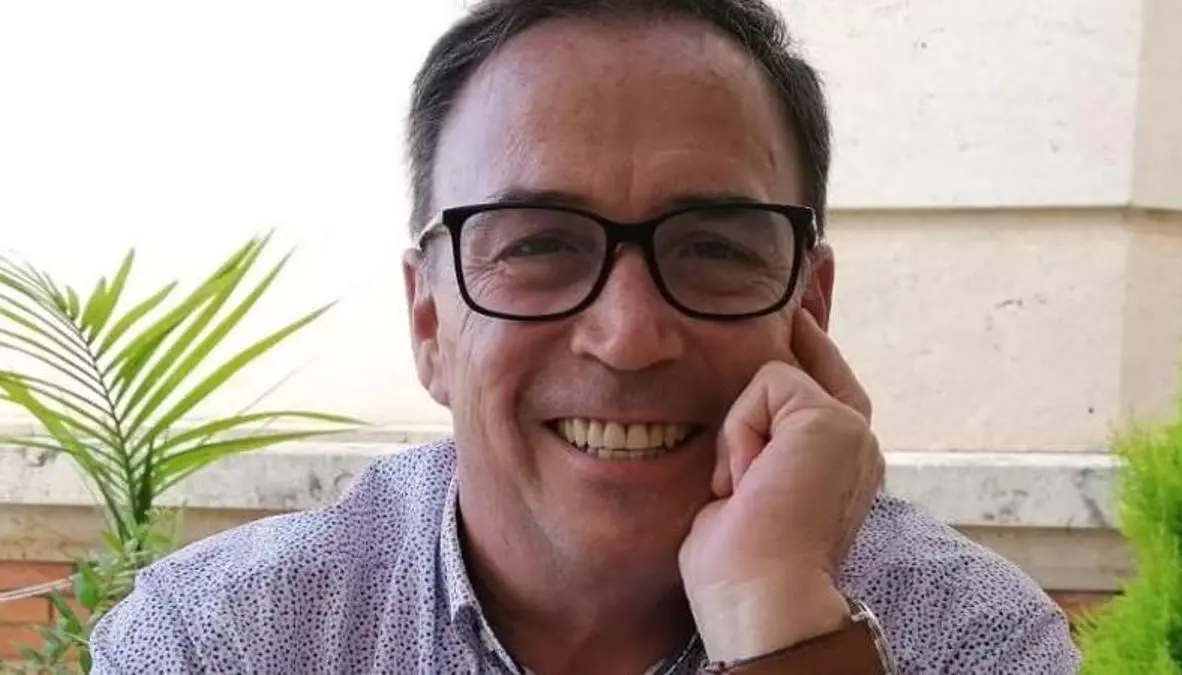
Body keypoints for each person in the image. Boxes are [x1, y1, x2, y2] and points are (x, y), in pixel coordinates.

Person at [89, 0, 1083, 673]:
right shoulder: (225, 640)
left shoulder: (970, 639)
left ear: (807, 310)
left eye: (713, 247)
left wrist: (778, 616)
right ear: (430, 322)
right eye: (539, 245)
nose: (629, 336)